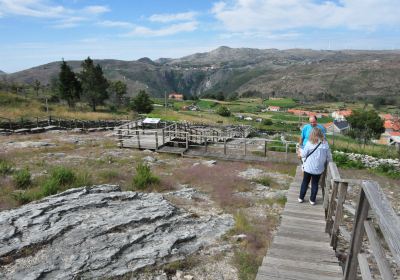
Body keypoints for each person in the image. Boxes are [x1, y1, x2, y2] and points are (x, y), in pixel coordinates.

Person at [298, 127, 332, 205]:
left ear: (312, 134)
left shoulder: (309, 143)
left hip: (308, 167)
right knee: (315, 183)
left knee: (305, 182)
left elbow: (303, 155)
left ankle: (301, 198)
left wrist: (299, 152)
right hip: (319, 169)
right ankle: (312, 200)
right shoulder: (325, 144)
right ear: (321, 134)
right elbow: (329, 157)